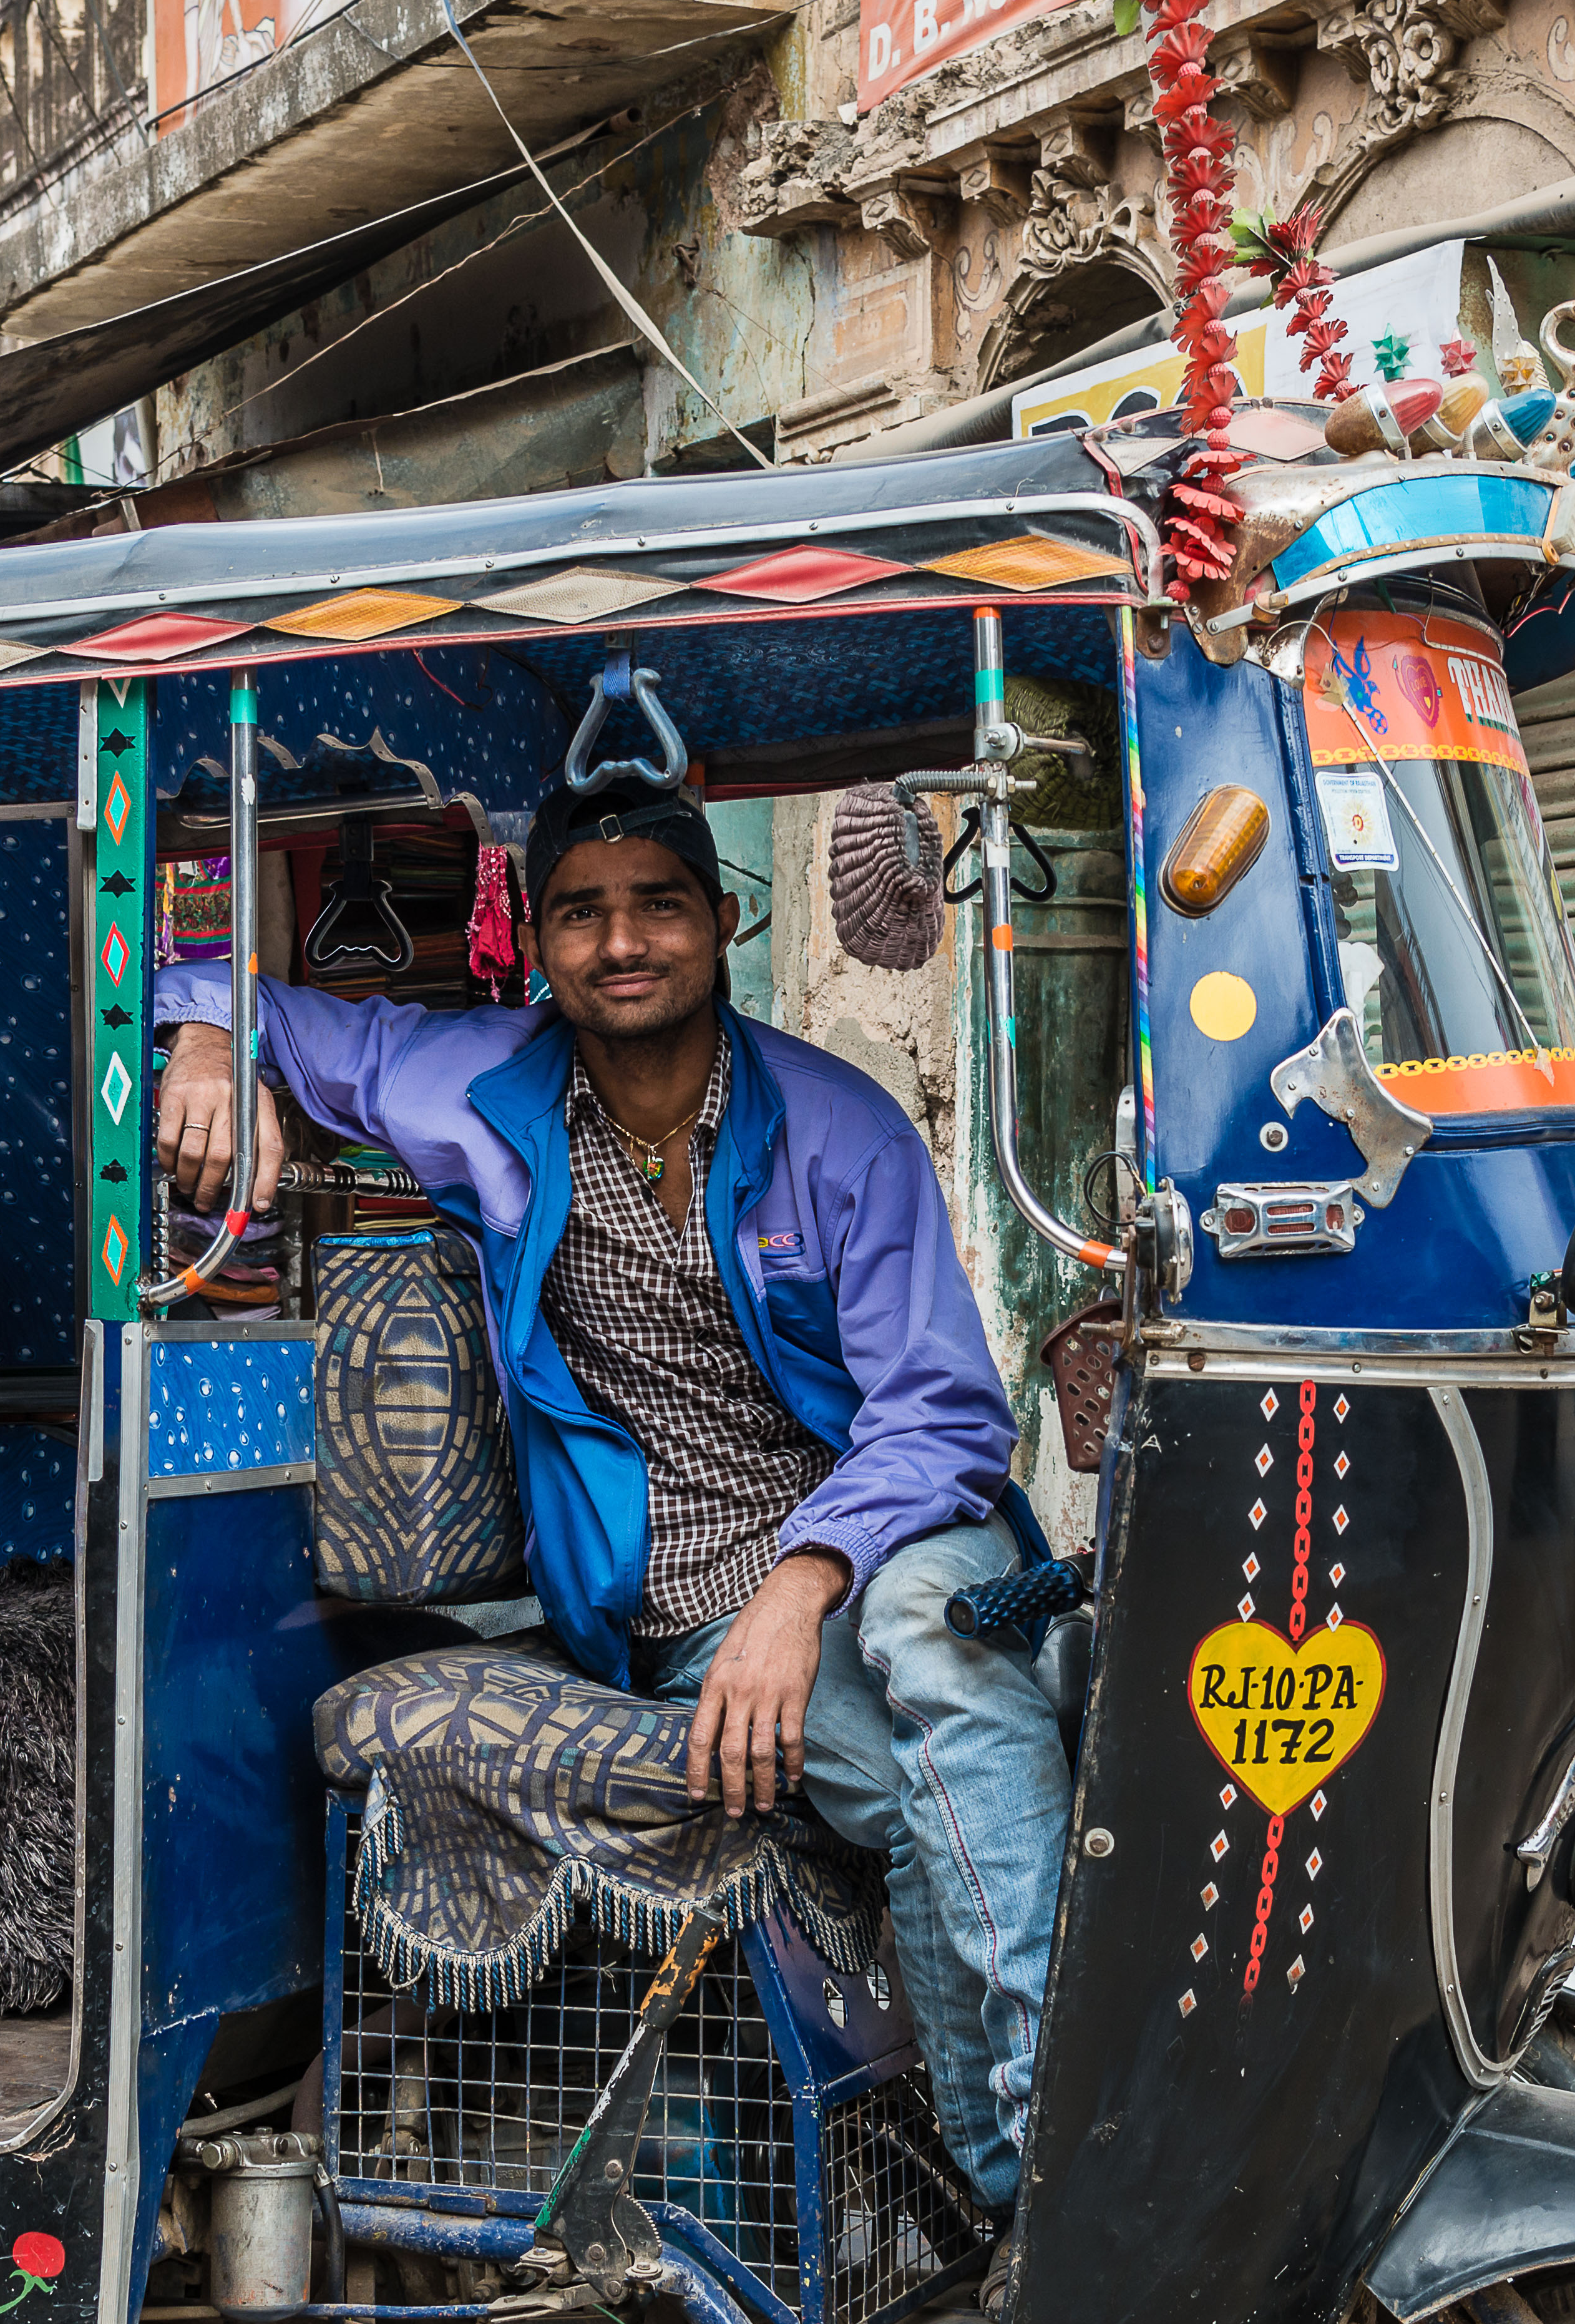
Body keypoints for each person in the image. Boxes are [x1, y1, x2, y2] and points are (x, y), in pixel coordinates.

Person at [152, 780, 1063, 2215]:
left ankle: (1040, 2173)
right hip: (678, 1598)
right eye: (581, 910)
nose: (619, 940)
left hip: (882, 1522)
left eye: (658, 904)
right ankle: (1013, 2180)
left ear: (721, 921)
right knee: (920, 1789)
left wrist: (801, 1576)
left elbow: (942, 1409)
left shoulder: (838, 1126)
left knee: (944, 1652)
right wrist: (208, 1038)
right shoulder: (484, 1092)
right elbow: (244, 995)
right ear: (544, 937)